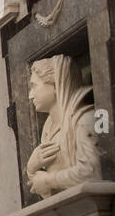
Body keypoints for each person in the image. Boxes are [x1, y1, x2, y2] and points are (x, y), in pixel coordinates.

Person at [25, 53, 101, 197]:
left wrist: (48, 180)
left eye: (34, 86)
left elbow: (92, 172)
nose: (30, 95)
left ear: (55, 85)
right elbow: (48, 194)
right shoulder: (47, 132)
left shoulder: (86, 119)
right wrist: (31, 169)